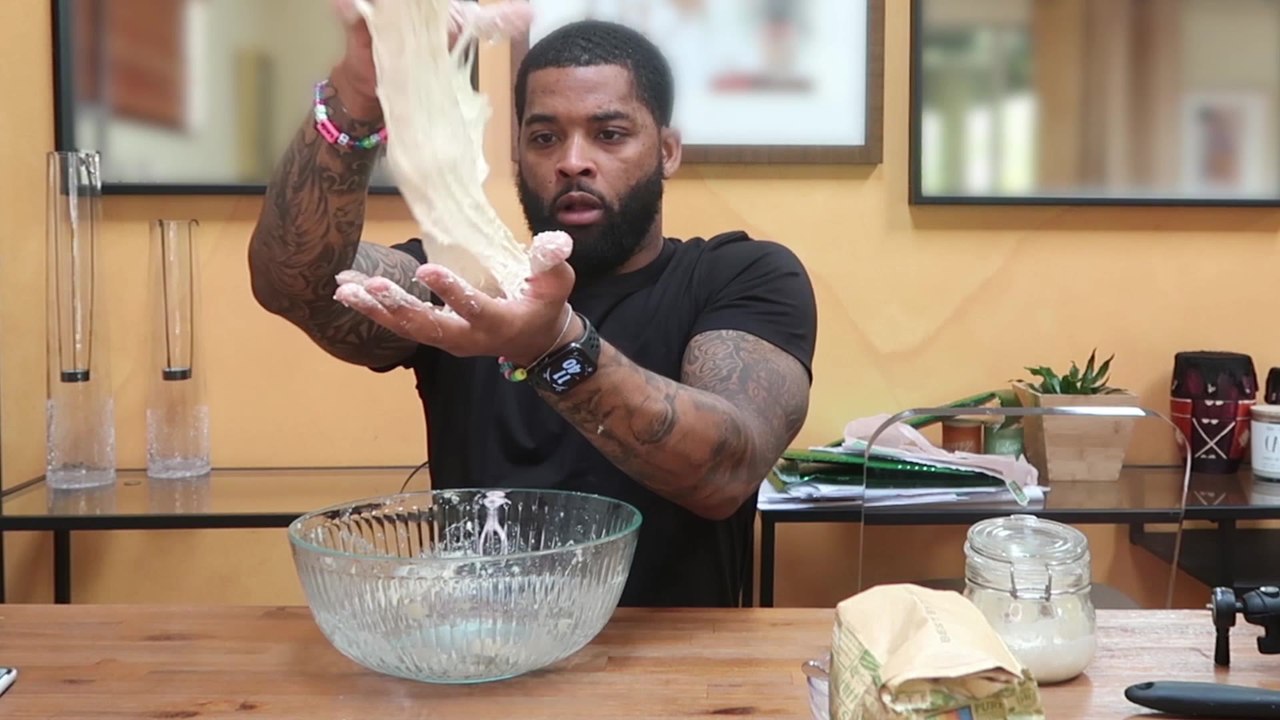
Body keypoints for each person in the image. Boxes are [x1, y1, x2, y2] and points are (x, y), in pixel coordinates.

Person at [247, 0, 818, 608]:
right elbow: (296, 281)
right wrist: (359, 89)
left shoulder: (741, 275)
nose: (573, 160)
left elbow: (724, 473)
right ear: (519, 154)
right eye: (545, 137)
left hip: (675, 677)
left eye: (610, 133)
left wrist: (552, 347)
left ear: (667, 151)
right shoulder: (465, 282)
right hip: (478, 658)